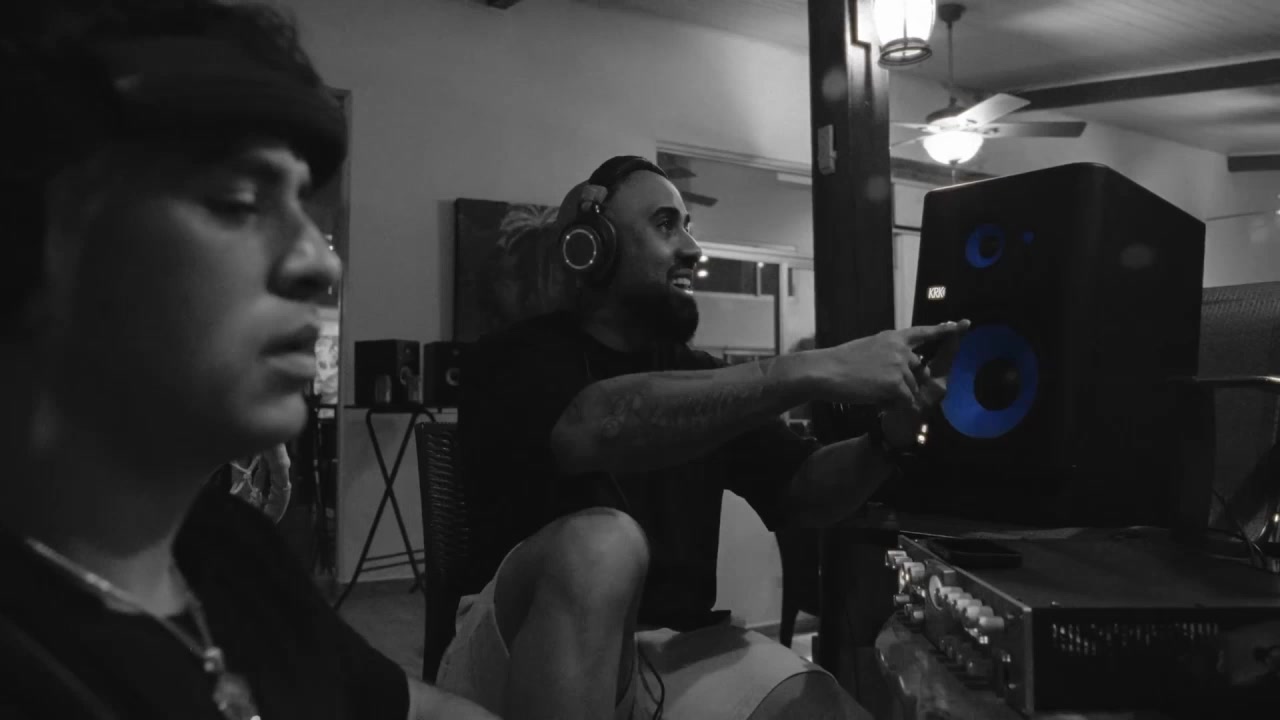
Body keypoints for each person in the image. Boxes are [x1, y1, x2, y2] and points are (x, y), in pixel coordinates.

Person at [0, 2, 495, 719]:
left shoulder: (229, 552)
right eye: (237, 202)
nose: (320, 265)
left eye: (302, 205)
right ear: (26, 237)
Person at [440, 155, 969, 720]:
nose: (693, 248)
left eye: (688, 226)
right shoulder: (511, 357)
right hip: (517, 643)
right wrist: (814, 367)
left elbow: (804, 491)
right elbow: (592, 426)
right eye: (666, 225)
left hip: (674, 649)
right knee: (602, 544)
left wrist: (888, 439)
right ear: (593, 246)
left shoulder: (698, 375)